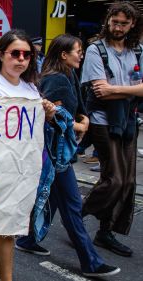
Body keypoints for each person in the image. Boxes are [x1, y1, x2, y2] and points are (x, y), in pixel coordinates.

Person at [14, 34, 120, 277]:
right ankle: (90, 262)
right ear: (63, 54)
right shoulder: (55, 79)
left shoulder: (69, 75)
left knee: (50, 200)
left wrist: (85, 118)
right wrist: (79, 126)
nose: (81, 54)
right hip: (54, 154)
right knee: (72, 206)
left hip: (60, 151)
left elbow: (77, 108)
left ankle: (27, 240)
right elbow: (48, 117)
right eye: (77, 50)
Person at [0, 29, 56, 281]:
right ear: (1, 54)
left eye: (27, 55)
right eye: (15, 53)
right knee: (8, 226)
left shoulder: (30, 87)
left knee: (13, 222)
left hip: (26, 167)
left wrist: (47, 112)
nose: (21, 59)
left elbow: (34, 126)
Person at [80, 1, 143, 257]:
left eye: (123, 23)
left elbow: (109, 89)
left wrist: (115, 89)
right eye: (114, 22)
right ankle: (78, 215)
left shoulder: (137, 50)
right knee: (114, 179)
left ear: (132, 25)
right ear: (108, 20)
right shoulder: (96, 49)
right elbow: (99, 91)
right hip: (102, 121)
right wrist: (131, 90)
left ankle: (105, 232)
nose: (118, 27)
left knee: (127, 182)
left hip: (128, 121)